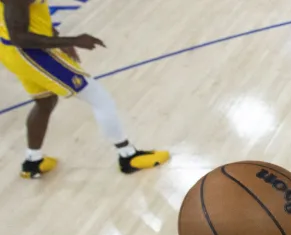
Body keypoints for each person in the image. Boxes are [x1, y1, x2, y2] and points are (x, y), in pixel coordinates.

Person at [0, 0, 170, 179]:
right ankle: (128, 156)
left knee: (45, 102)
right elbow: (19, 37)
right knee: (99, 98)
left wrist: (56, 37)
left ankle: (32, 161)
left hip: (12, 52)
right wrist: (72, 40)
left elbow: (31, 18)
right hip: (28, 53)